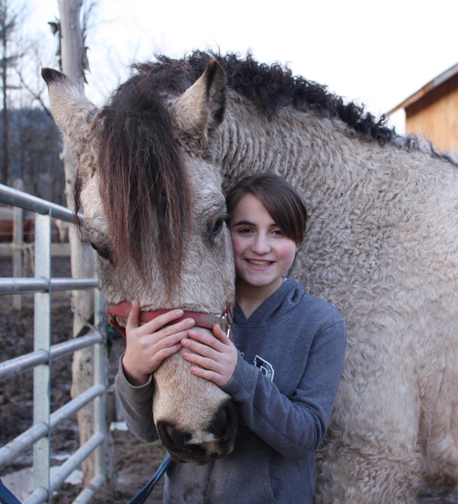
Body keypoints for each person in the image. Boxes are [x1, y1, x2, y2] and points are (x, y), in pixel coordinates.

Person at [115, 173, 347, 503]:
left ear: (298, 240)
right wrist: (133, 371)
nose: (261, 247)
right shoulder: (189, 311)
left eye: (278, 232)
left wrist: (240, 377)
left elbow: (304, 438)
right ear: (222, 234)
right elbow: (145, 431)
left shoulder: (321, 325)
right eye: (245, 230)